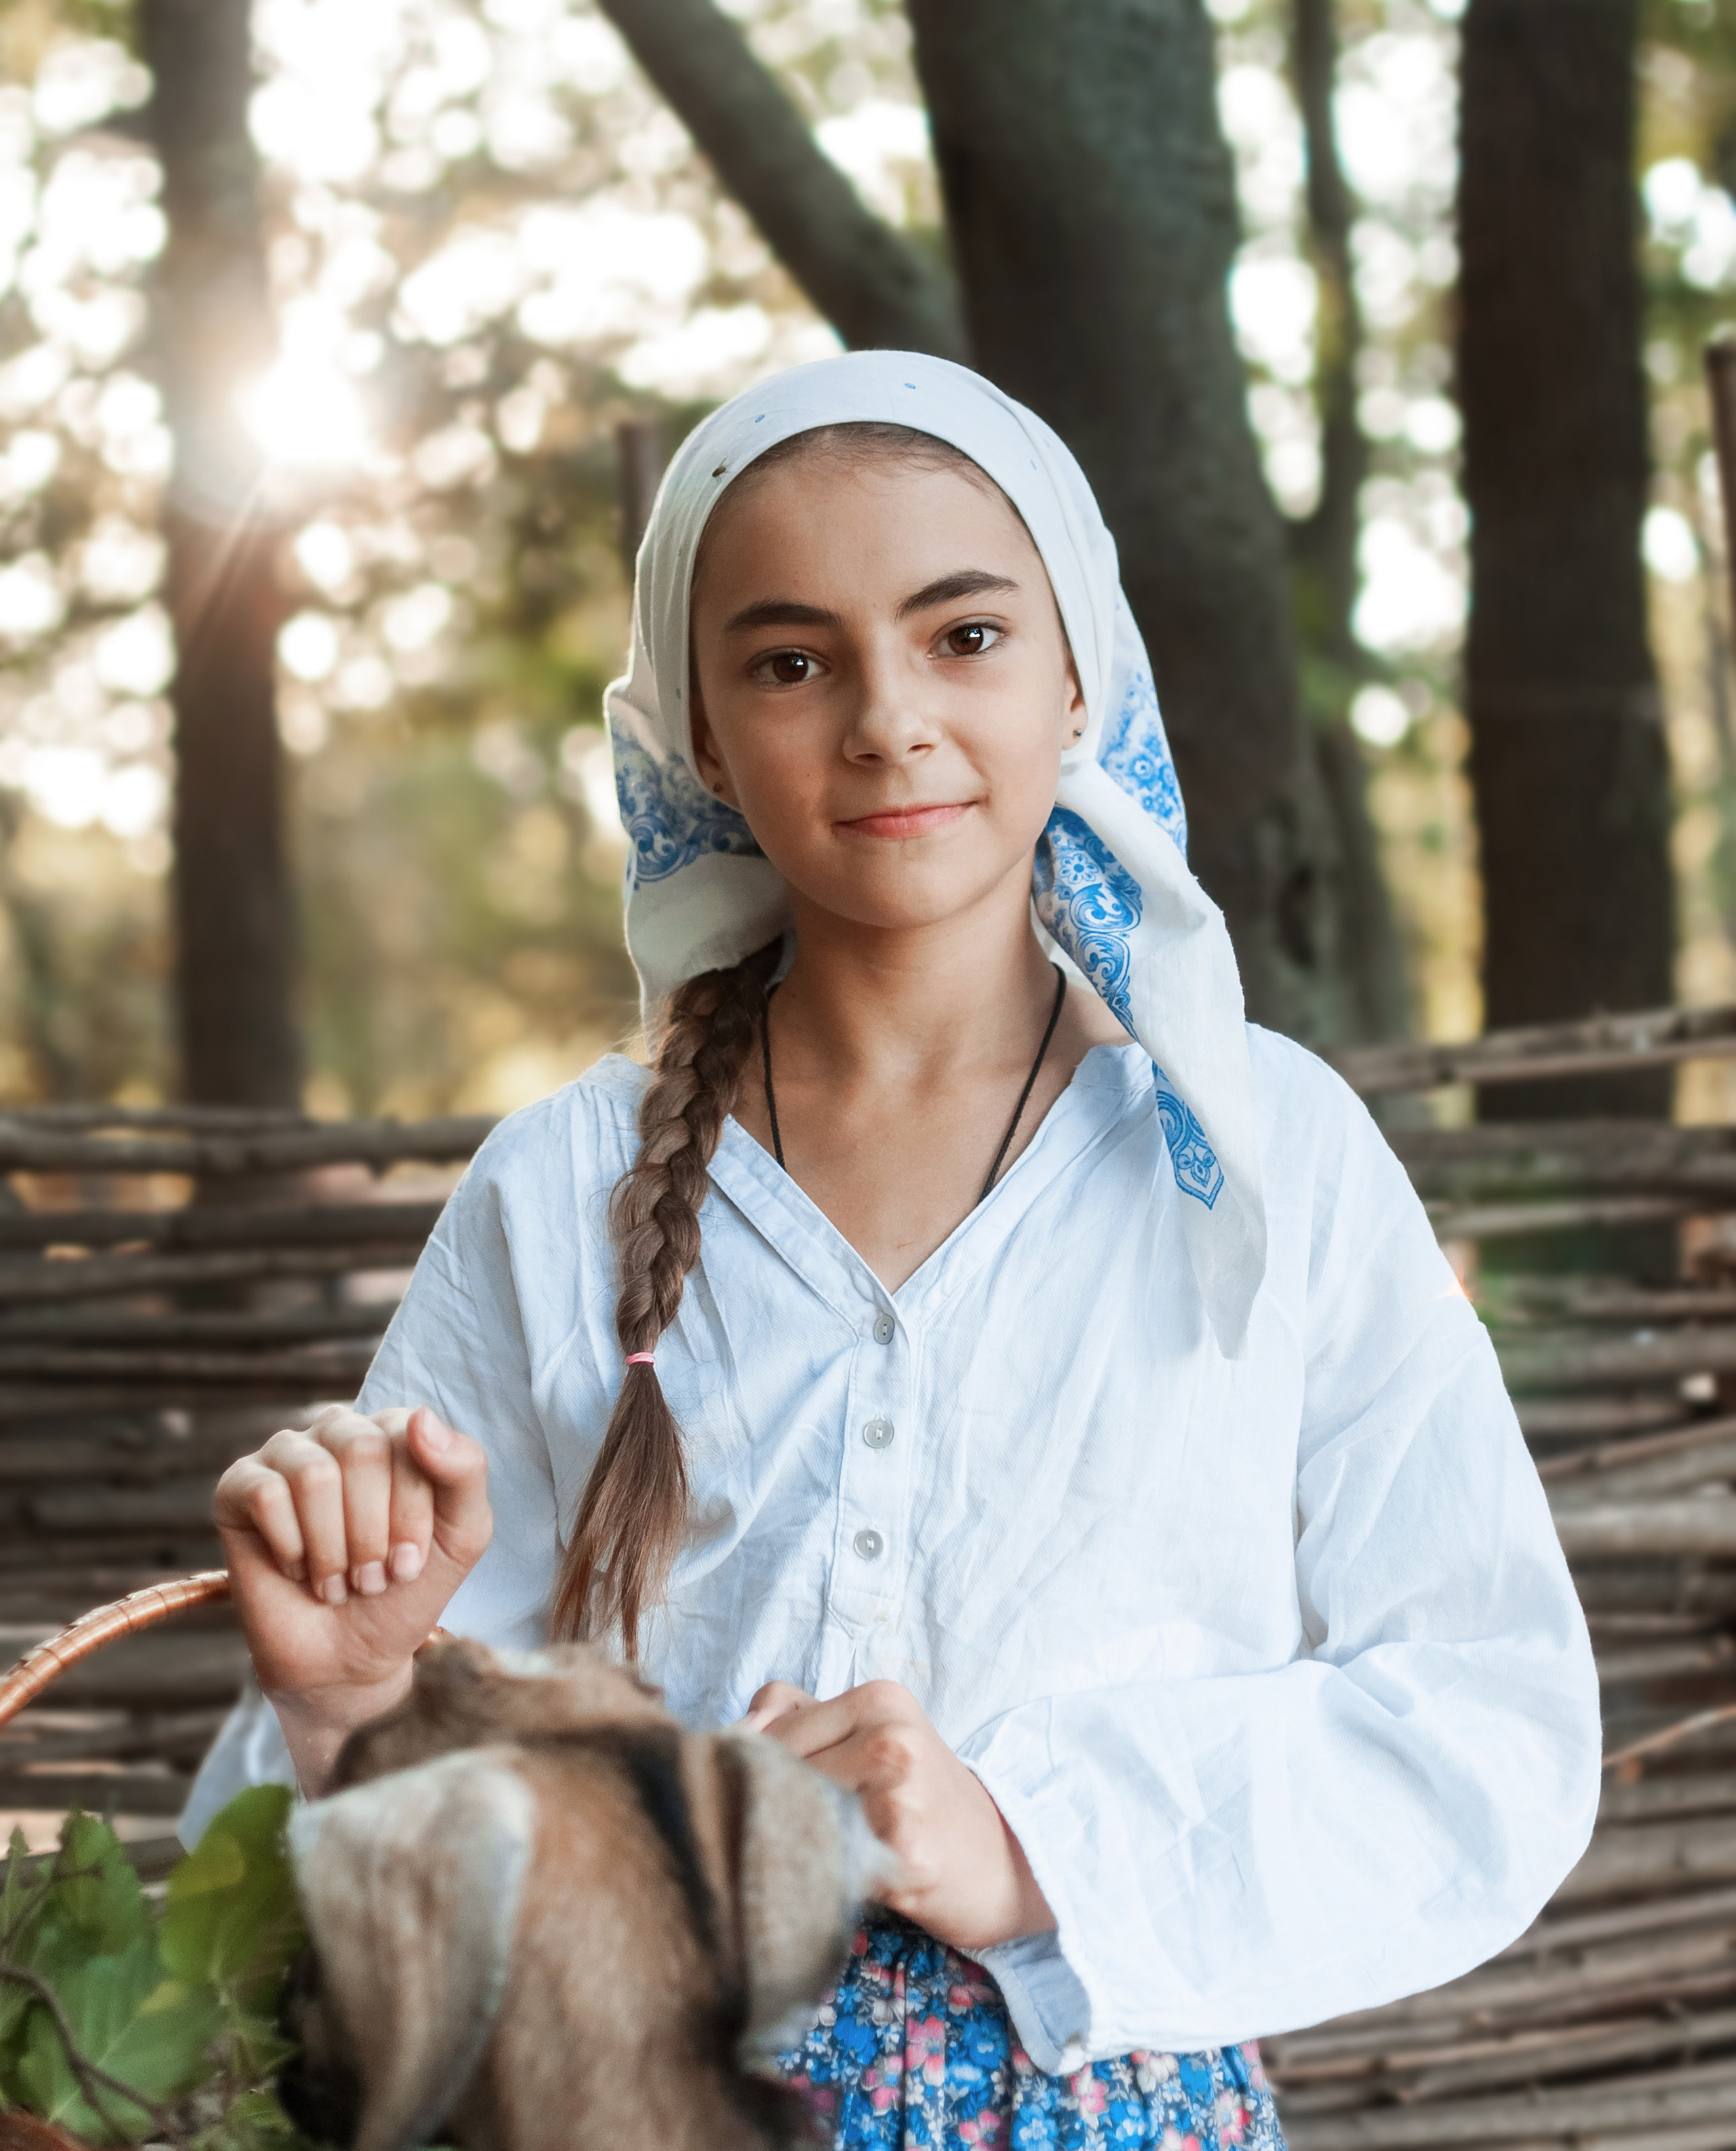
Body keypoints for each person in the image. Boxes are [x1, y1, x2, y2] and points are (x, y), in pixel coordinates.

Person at [191, 351, 1600, 2151]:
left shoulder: (1262, 1152)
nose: (887, 720)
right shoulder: (558, 1194)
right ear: (697, 729)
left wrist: (1025, 1838)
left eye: (965, 637)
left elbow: (1488, 1717)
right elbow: (412, 1903)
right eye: (792, 662)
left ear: (1080, 663)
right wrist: (355, 1694)